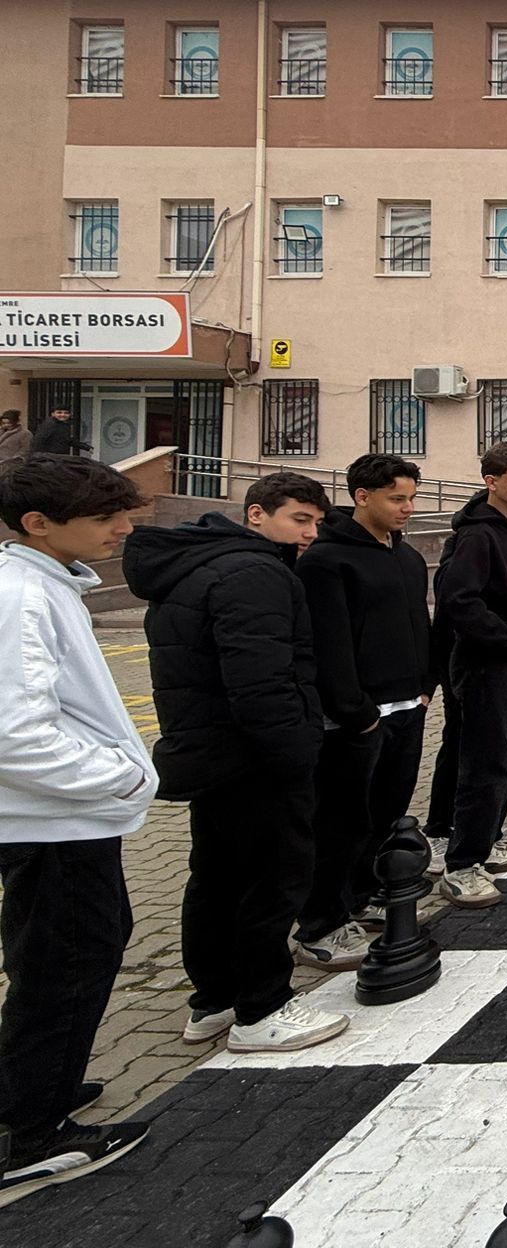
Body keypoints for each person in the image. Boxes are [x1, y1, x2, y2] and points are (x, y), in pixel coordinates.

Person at [126, 471, 350, 1052]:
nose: (309, 533)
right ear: (255, 514)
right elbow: (261, 681)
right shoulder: (254, 573)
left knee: (216, 879)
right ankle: (262, 1008)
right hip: (256, 758)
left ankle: (215, 1001)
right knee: (270, 880)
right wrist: (297, 751)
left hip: (208, 753)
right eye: (299, 519)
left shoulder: (199, 565)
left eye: (316, 522)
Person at [0, 457, 156, 1205]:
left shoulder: (43, 583)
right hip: (52, 818)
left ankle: (35, 1086)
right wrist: (119, 777)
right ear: (38, 523)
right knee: (66, 961)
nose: (122, 528)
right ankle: (32, 1132)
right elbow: (15, 733)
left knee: (68, 953)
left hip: (60, 816)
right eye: (104, 518)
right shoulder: (21, 595)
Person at [291, 454, 433, 971]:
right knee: (340, 822)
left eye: (412, 497)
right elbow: (329, 645)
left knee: (385, 812)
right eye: (398, 498)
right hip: (356, 718)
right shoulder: (327, 561)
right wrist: (356, 713)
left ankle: (369, 892)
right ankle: (321, 922)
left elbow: (419, 623)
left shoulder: (406, 555)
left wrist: (425, 686)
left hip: (407, 705)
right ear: (362, 497)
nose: (407, 508)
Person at [431, 443, 507, 909]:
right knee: (485, 760)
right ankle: (462, 863)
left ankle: (488, 837)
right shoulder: (477, 535)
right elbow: (458, 601)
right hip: (484, 662)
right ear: (491, 482)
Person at [0, 410, 28, 475]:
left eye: (9, 423)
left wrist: (10, 460)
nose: (6, 425)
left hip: (10, 466)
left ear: (16, 422)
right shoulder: (1, 431)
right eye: (4, 423)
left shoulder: (25, 434)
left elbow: (25, 451)